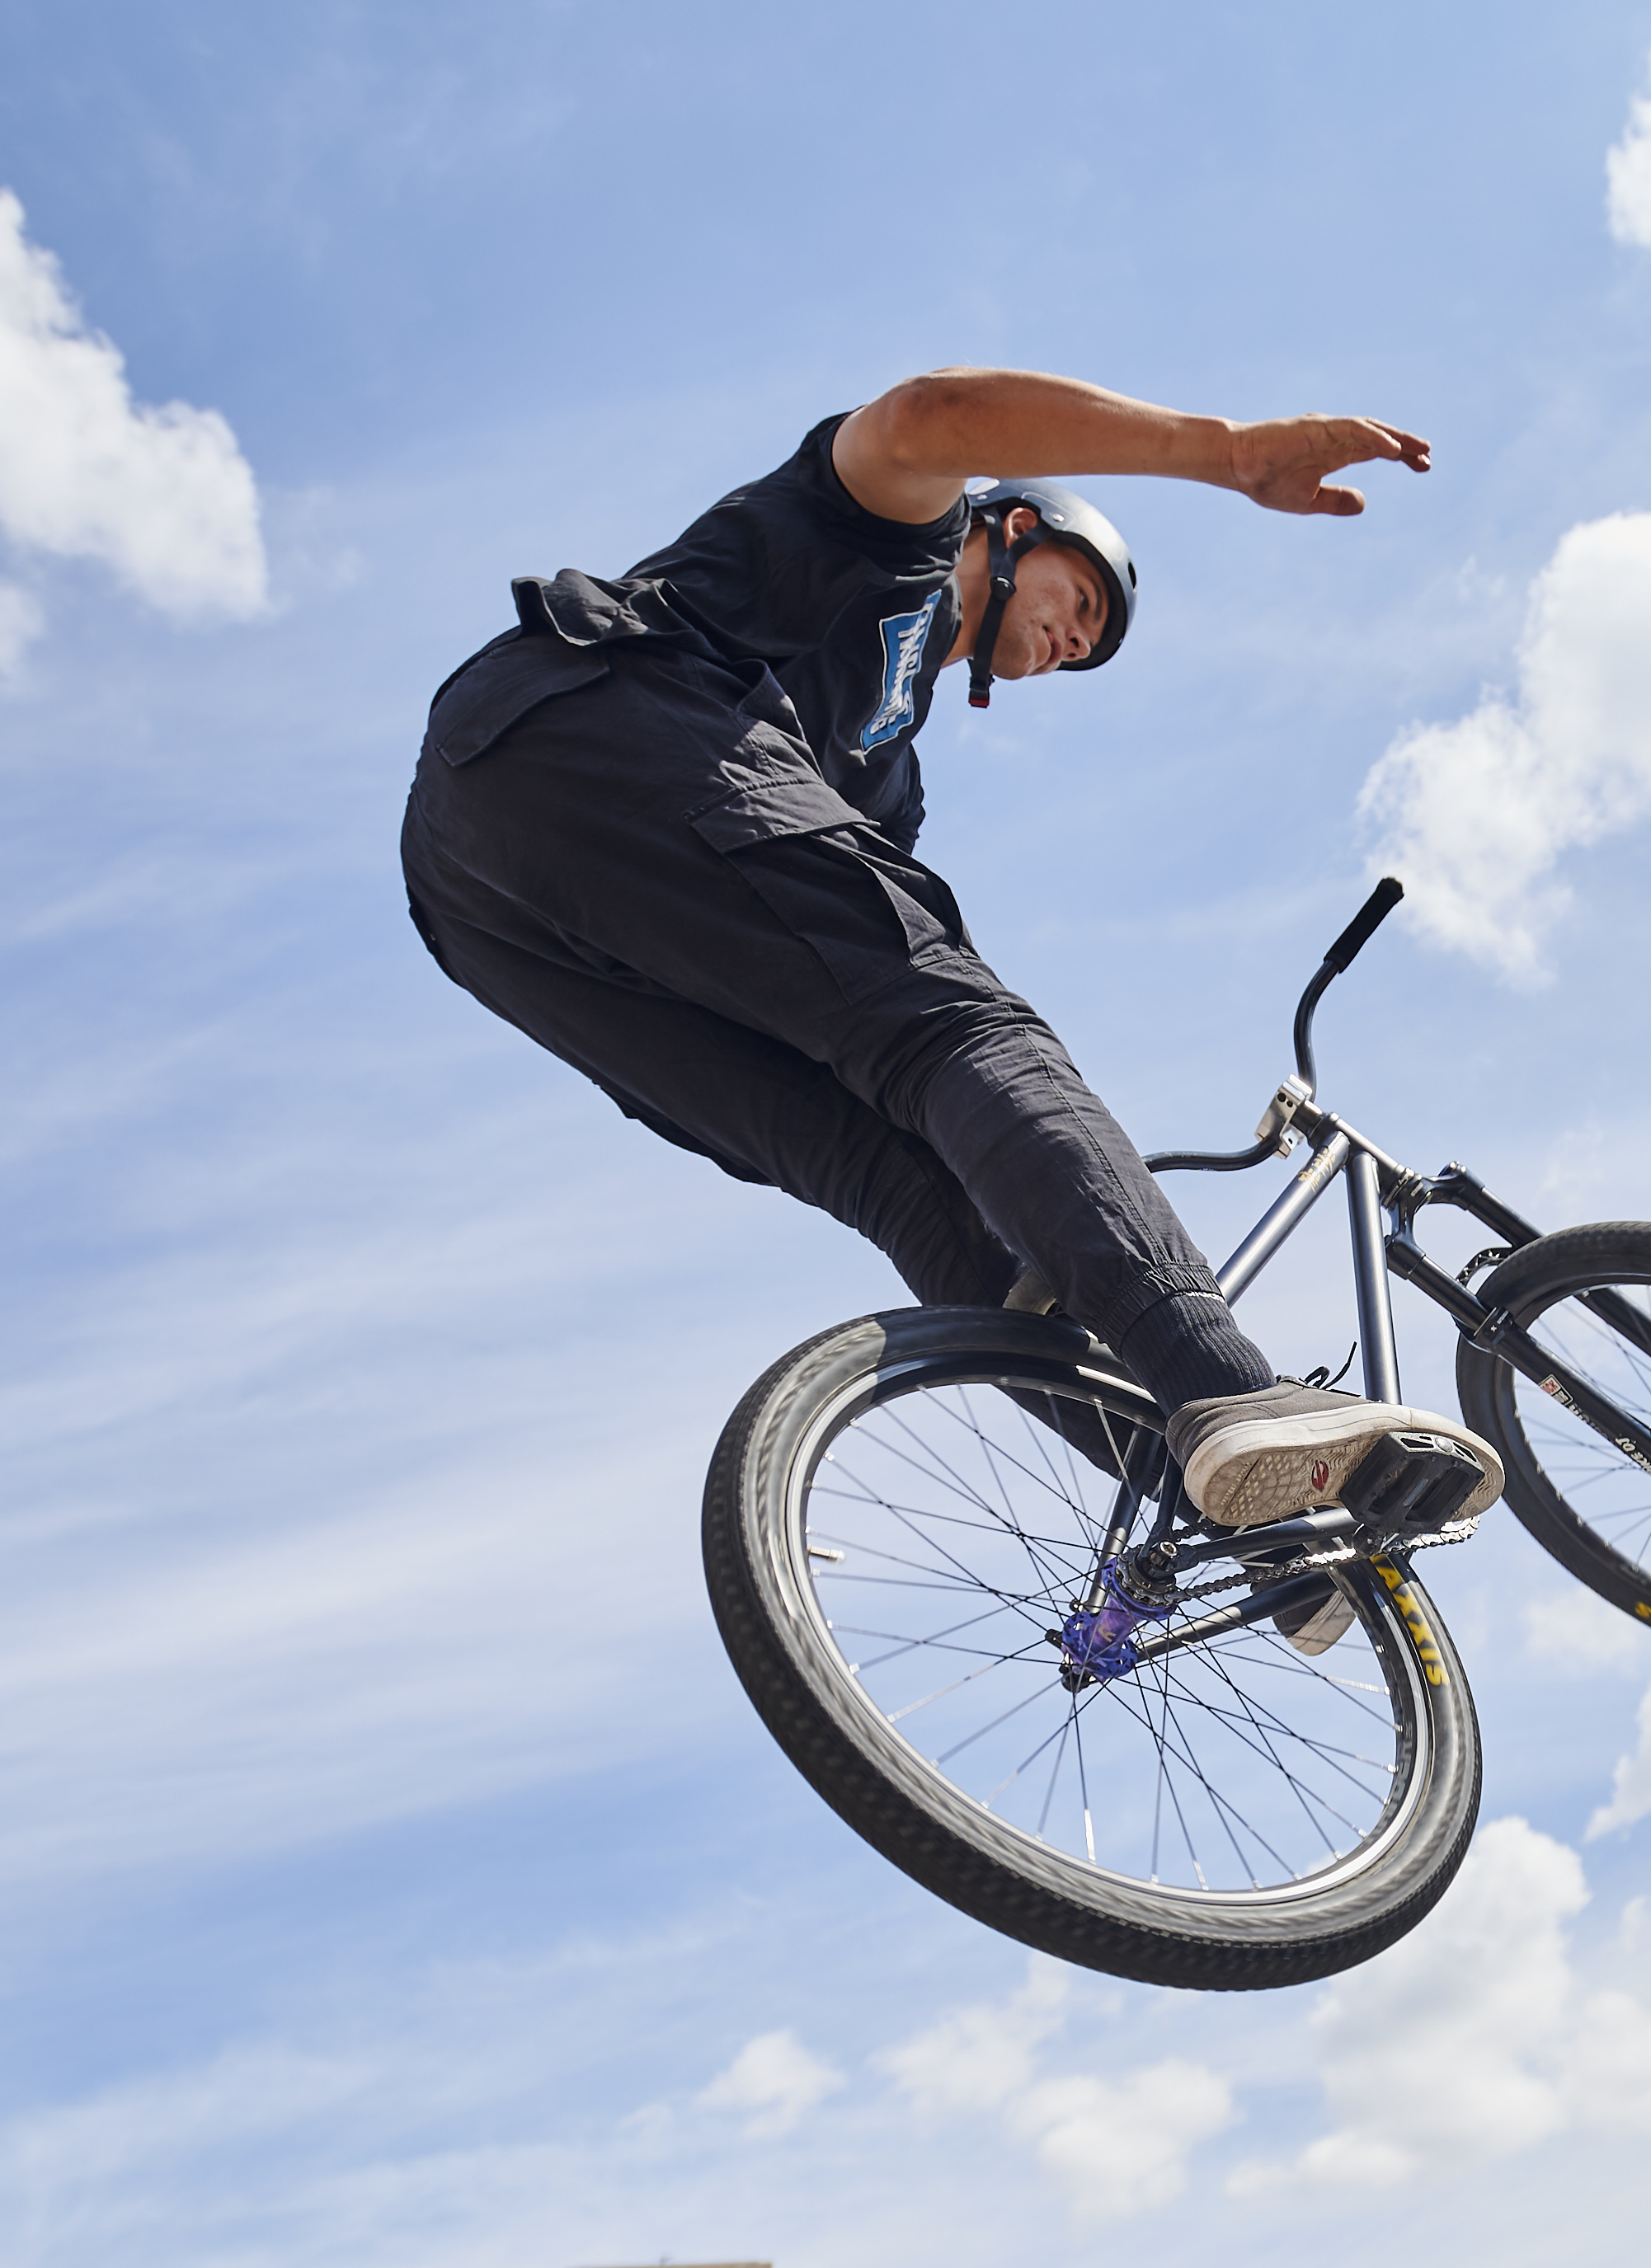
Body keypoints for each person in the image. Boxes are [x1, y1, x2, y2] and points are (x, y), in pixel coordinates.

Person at [397, 365, 1506, 1548]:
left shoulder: (882, 778)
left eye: (1087, 647)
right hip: (576, 715)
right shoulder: (893, 535)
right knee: (956, 1030)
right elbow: (932, 417)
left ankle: (1246, 1524)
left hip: (500, 917)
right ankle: (1225, 1382)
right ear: (1010, 528)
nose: (1074, 640)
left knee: (903, 1174)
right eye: (1079, 598)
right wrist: (1225, 452)